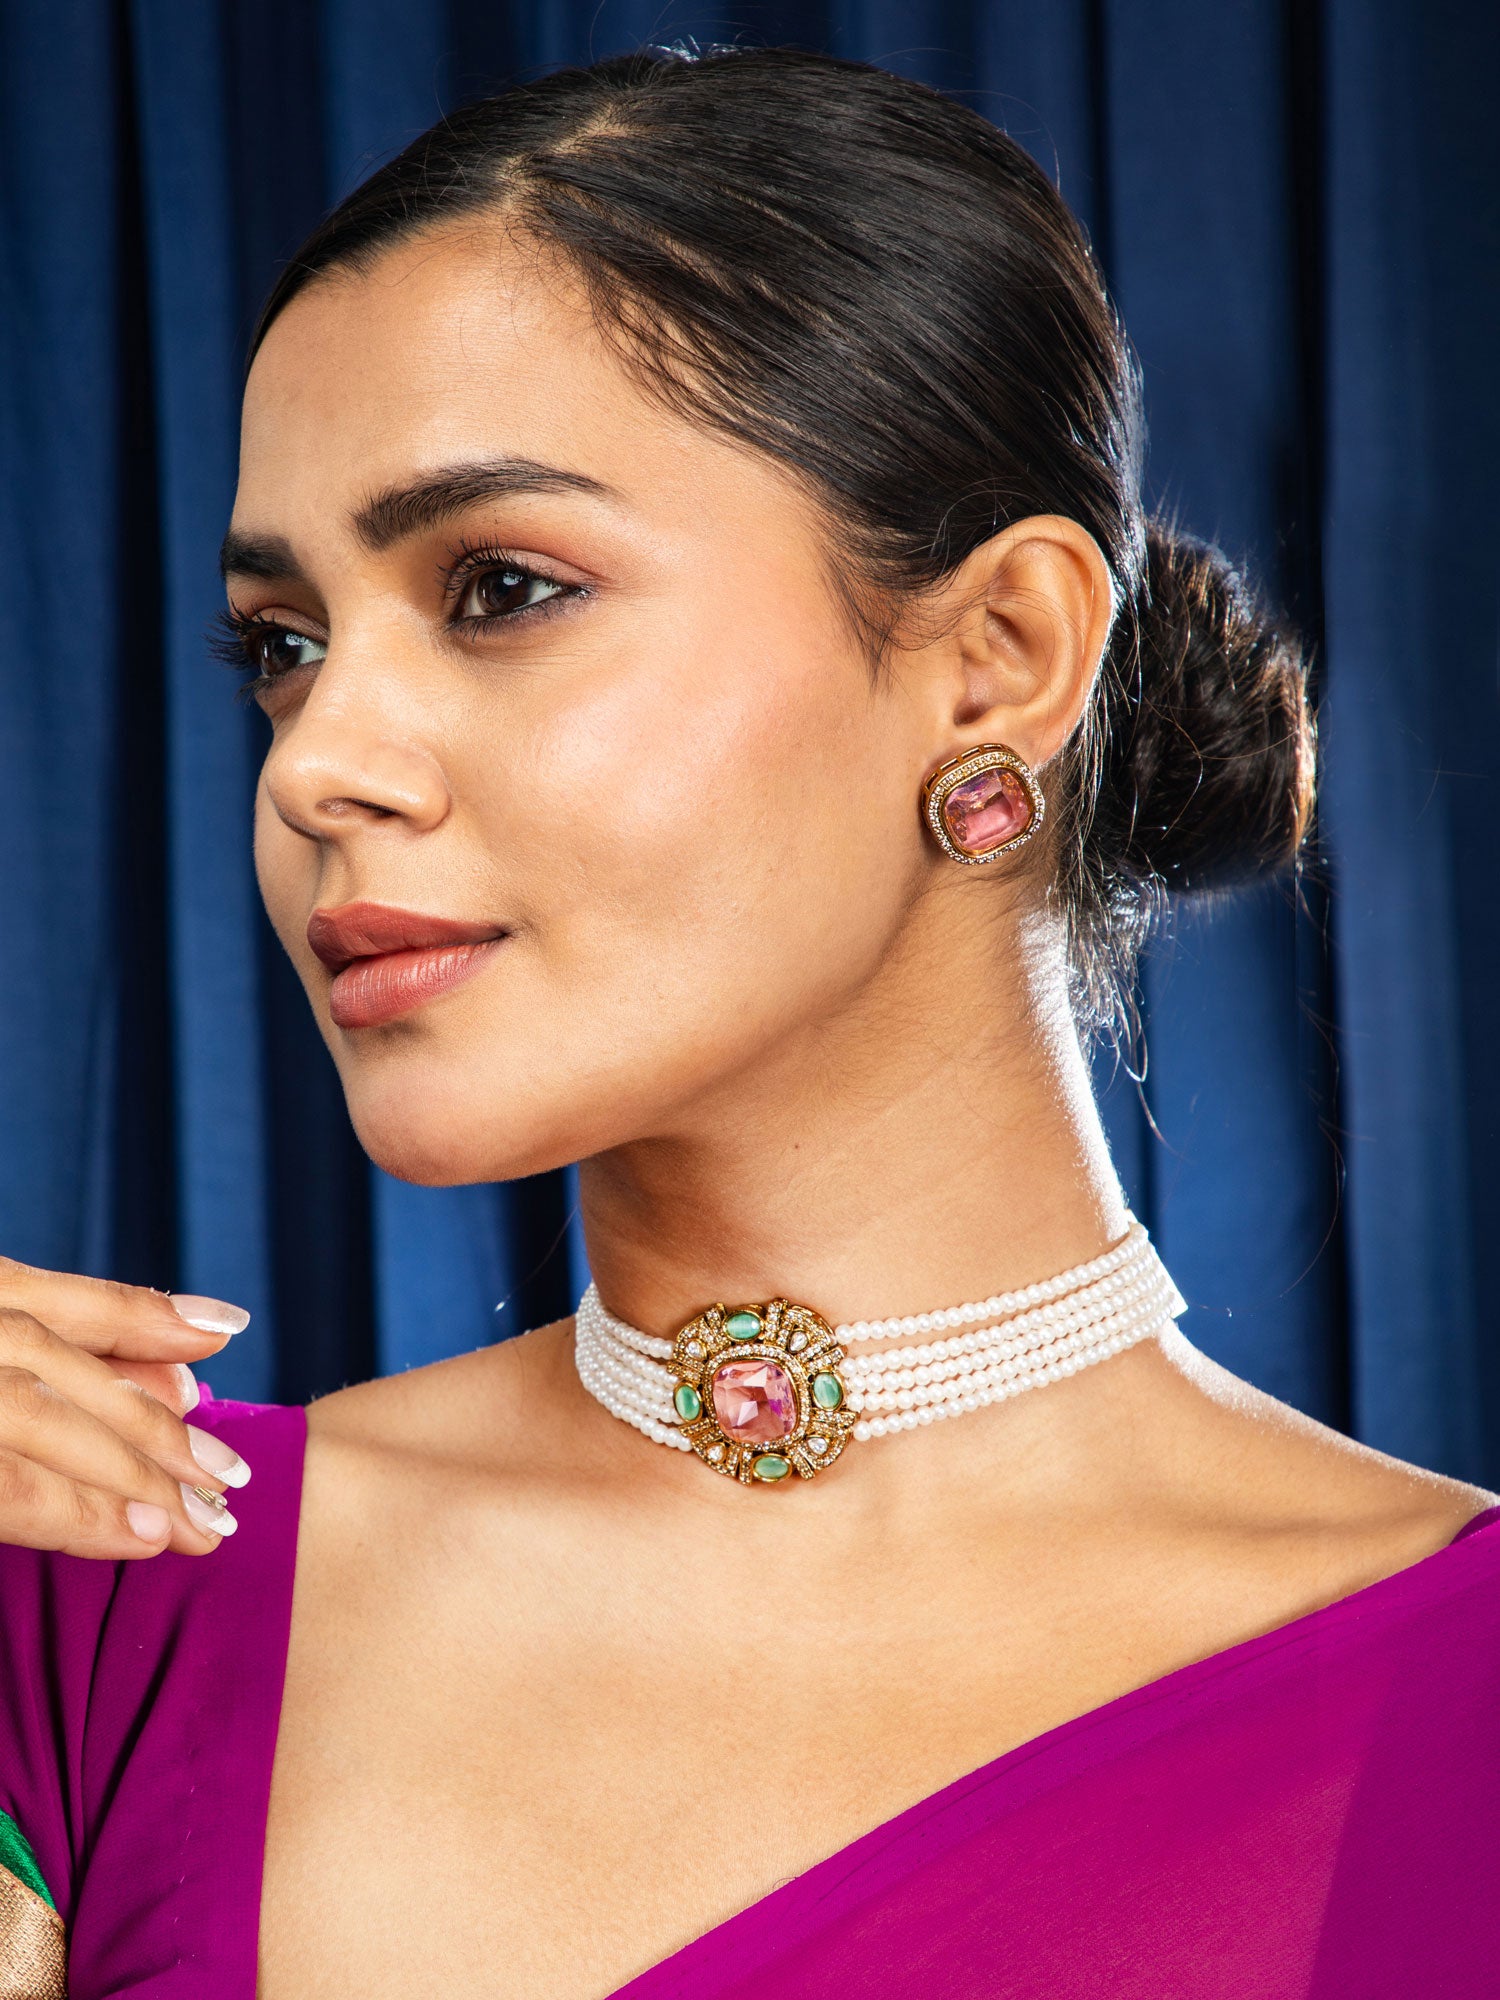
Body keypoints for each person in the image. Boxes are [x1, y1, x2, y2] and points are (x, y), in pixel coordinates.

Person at [1, 42, 1496, 2000]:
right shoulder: (108, 1594)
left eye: (503, 586)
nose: (319, 765)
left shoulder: (1449, 1702)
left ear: (999, 657)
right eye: (286, 648)